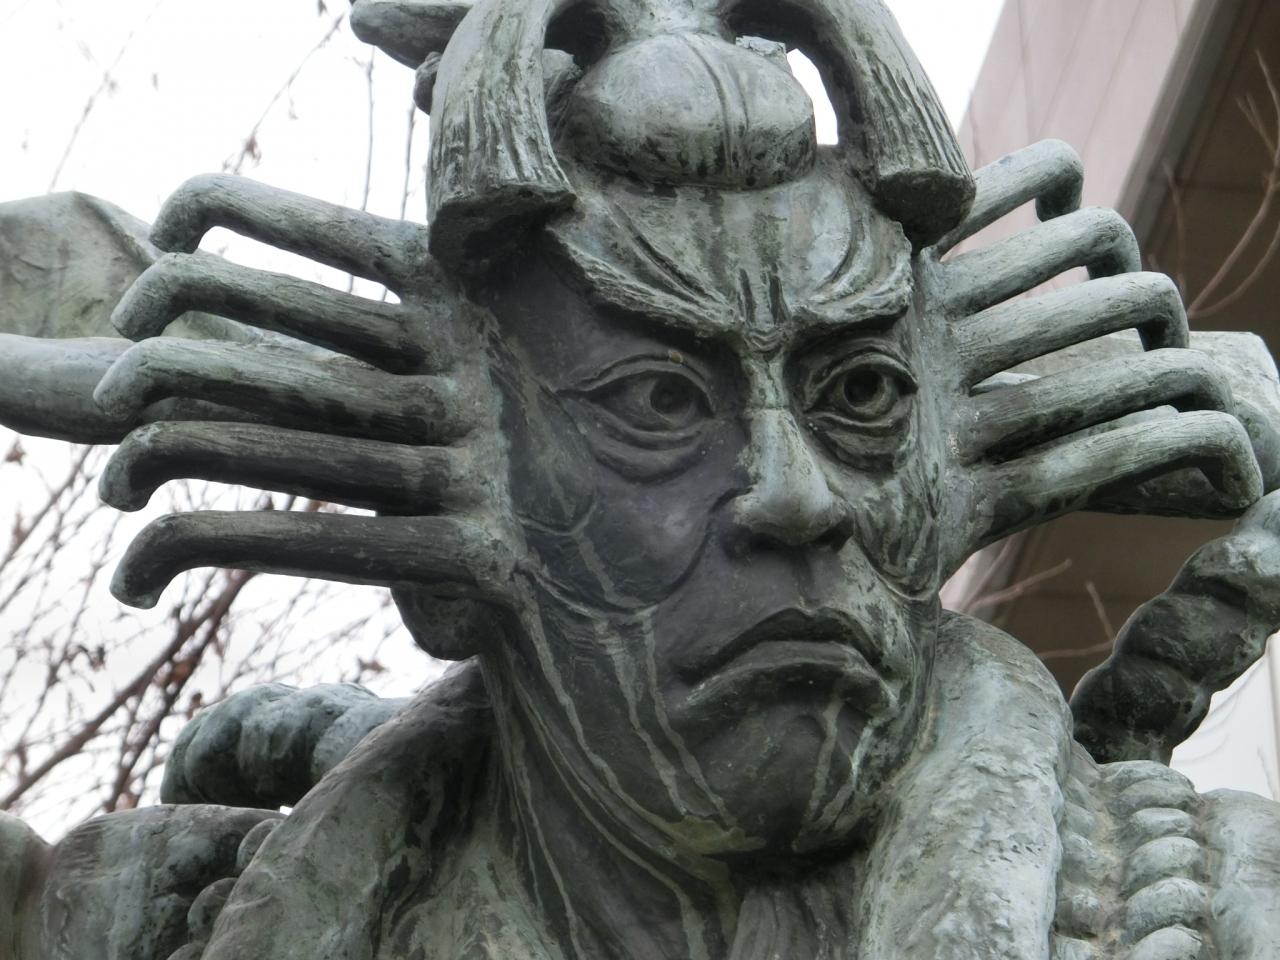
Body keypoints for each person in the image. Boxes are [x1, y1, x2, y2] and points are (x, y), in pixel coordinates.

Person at [2, 0, 1279, 957]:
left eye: (862, 396)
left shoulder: (1229, 906)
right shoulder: (120, 925)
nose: (795, 497)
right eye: (656, 404)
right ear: (443, 553)